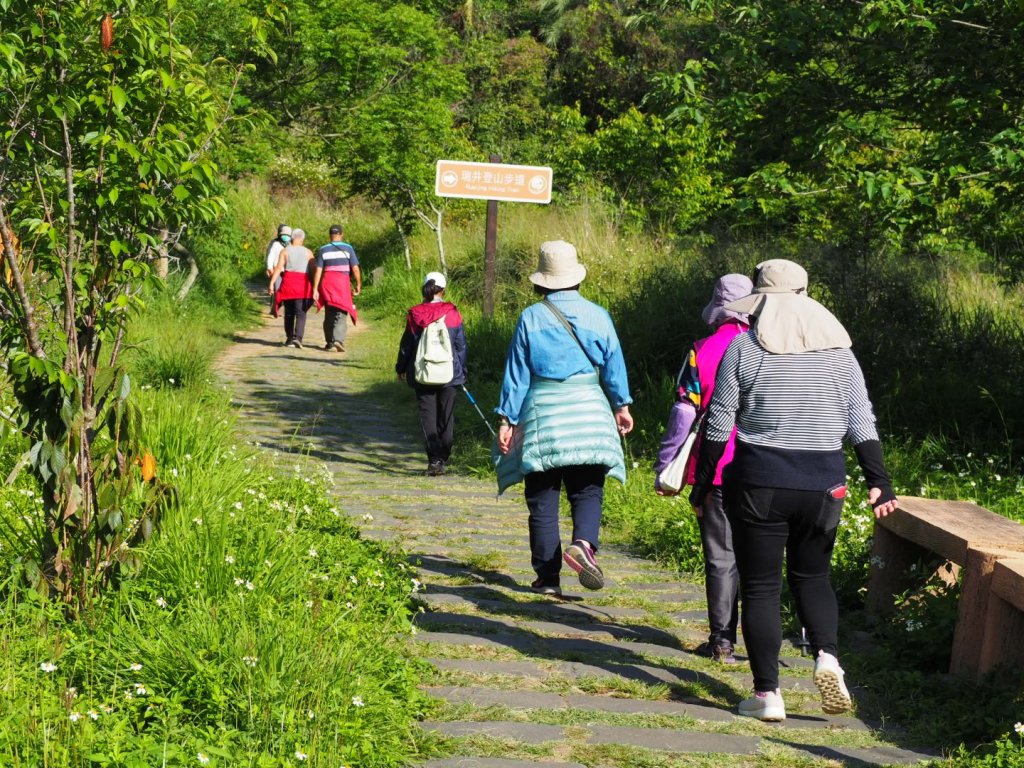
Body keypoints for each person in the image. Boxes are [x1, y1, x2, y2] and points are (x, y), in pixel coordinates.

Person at [689, 258, 899, 723]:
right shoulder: (839, 355)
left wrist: (702, 484)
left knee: (762, 586)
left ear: (759, 303)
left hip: (758, 482)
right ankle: (827, 658)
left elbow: (719, 424)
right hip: (824, 483)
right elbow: (861, 421)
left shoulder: (742, 349)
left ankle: (768, 695)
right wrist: (878, 482)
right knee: (814, 576)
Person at [495, 240, 633, 596]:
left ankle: (547, 577)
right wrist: (622, 405)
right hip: (589, 410)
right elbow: (614, 365)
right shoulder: (599, 316)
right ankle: (584, 544)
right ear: (576, 278)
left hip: (544, 413)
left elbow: (517, 374)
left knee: (542, 495)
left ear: (542, 280)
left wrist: (507, 419)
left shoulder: (530, 317)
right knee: (587, 488)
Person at [654, 273, 753, 665]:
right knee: (755, 555)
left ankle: (722, 640)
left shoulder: (702, 349)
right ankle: (756, 642)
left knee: (720, 554)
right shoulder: (768, 348)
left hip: (715, 463)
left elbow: (684, 410)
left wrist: (666, 462)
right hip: (764, 463)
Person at [395, 272, 468, 476]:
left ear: (425, 288)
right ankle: (443, 456)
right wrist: (463, 371)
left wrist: (400, 368)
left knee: (428, 415)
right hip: (450, 373)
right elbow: (460, 346)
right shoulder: (452, 313)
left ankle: (434, 459)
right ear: (443, 290)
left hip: (423, 373)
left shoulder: (416, 314)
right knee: (446, 415)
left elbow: (407, 345)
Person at [312, 224, 362, 352]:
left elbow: (318, 270)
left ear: (330, 235)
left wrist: (315, 288)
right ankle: (338, 340)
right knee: (341, 311)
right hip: (342, 282)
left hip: (327, 282)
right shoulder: (348, 248)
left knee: (329, 312)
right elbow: (355, 268)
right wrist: (358, 283)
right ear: (341, 234)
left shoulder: (323, 249)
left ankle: (329, 342)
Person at [268, 228, 314, 348]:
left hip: (288, 284)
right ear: (302, 239)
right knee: (301, 312)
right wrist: (315, 286)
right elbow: (313, 271)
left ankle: (289, 338)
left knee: (289, 313)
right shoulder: (308, 252)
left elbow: (278, 268)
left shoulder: (285, 251)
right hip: (302, 285)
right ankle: (298, 338)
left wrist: (272, 283)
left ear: (292, 238)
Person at [265, 224, 291, 314]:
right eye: (284, 235)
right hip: (276, 270)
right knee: (277, 289)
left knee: (284, 291)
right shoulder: (275, 244)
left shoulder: (291, 245)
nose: (285, 237)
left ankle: (277, 307)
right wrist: (269, 267)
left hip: (287, 271)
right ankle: (274, 309)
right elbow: (270, 256)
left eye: (287, 235)